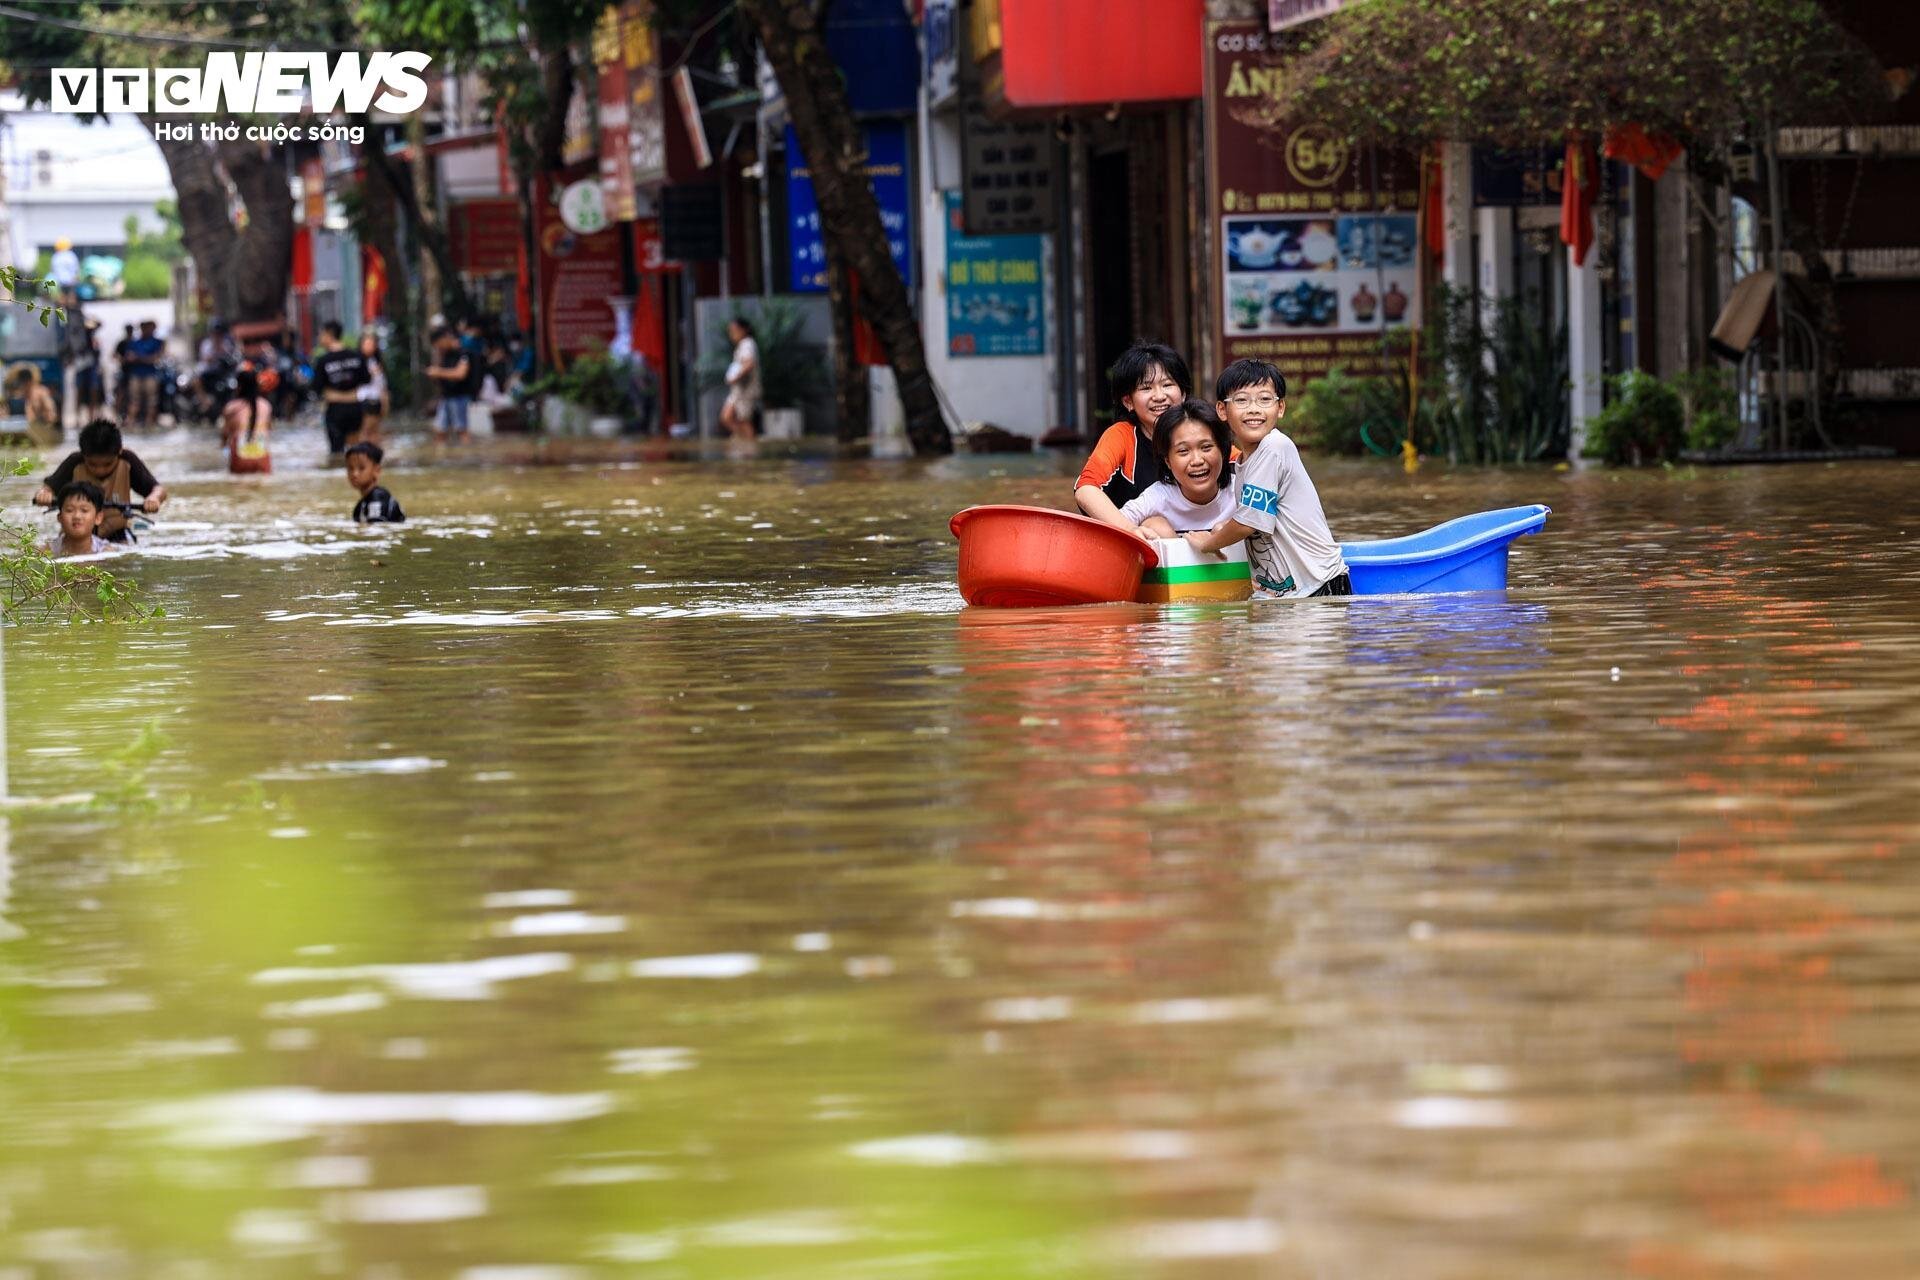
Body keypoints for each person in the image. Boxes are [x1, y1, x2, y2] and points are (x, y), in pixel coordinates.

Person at [1183, 359, 1350, 599]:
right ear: (1222, 410)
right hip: (1293, 595)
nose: (1254, 409)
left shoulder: (1274, 446)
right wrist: (1222, 530)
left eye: (1264, 399)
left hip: (1320, 588)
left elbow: (1247, 523)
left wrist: (1208, 544)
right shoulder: (1243, 463)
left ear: (1280, 407)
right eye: (1241, 400)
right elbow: (1254, 522)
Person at [1074, 341, 1194, 528]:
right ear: (1128, 401)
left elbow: (1238, 465)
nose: (1159, 396)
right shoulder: (1122, 435)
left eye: (1167, 384)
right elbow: (1086, 489)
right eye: (1146, 388)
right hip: (1136, 539)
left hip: (1198, 534)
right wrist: (1131, 531)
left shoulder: (1200, 429)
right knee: (1157, 526)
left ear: (1183, 393)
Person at [33, 418, 167, 543]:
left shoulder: (128, 461)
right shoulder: (74, 462)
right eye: (92, 464)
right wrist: (44, 494)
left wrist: (153, 499)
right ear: (83, 454)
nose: (100, 470)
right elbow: (48, 487)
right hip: (75, 535)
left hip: (116, 535)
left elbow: (158, 489)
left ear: (119, 452)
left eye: (107, 464)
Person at [1116, 399, 1236, 539]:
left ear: (1223, 450)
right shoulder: (1158, 497)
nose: (1197, 460)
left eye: (1206, 447)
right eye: (1183, 451)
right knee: (1156, 526)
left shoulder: (1242, 492)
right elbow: (1114, 527)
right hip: (1168, 559)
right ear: (1168, 461)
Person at [312, 319, 371, 456]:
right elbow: (367, 379)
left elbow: (316, 388)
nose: (319, 338)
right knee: (356, 449)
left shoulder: (323, 361)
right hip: (355, 407)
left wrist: (334, 394)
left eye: (321, 334)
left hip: (335, 409)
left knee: (336, 452)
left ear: (330, 334)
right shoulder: (357, 356)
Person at [220, 362, 273, 475]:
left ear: (238, 386)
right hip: (262, 459)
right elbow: (269, 430)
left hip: (240, 460)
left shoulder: (231, 408)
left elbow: (225, 436)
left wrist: (223, 446)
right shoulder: (266, 406)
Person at [425, 326, 471, 444]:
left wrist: (438, 372)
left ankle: (468, 456)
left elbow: (461, 373)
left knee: (461, 430)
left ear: (445, 338)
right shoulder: (444, 354)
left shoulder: (462, 351)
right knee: (440, 431)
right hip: (446, 397)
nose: (439, 347)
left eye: (439, 344)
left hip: (459, 396)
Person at [44, 480, 113, 559]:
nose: (77, 516)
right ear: (60, 517)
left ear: (98, 518)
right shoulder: (47, 551)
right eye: (69, 510)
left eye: (84, 510)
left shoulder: (106, 552)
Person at [719, 316, 760, 441]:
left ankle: (749, 442)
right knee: (726, 417)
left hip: (746, 389)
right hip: (738, 390)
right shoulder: (742, 345)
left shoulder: (748, 344)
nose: (732, 334)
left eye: (735, 331)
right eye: (730, 331)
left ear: (744, 330)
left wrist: (735, 377)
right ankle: (744, 438)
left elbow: (749, 363)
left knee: (744, 420)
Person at [345, 441, 405, 523]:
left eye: (361, 468)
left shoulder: (377, 497)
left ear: (377, 470)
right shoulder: (360, 506)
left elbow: (376, 529)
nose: (354, 474)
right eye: (350, 468)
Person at [123, 319, 165, 429]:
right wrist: (144, 359)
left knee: (151, 400)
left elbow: (156, 358)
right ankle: (131, 422)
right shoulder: (135, 343)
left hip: (150, 374)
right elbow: (128, 357)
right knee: (134, 399)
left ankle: (149, 422)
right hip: (136, 374)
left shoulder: (157, 342)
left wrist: (139, 358)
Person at [6, 364, 61, 449]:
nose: (22, 385)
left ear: (29, 381)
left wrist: (41, 422)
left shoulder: (41, 392)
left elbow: (51, 414)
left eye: (24, 382)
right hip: (24, 432)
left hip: (41, 431)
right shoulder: (19, 396)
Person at [356, 332, 389, 447]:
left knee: (375, 431)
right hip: (364, 398)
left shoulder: (377, 361)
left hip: (377, 399)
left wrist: (385, 401)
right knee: (365, 430)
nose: (370, 346)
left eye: (372, 344)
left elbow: (382, 384)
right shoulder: (358, 362)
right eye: (367, 343)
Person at [112, 322, 136, 419]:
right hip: (124, 371)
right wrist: (122, 359)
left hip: (134, 372)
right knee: (120, 394)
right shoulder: (122, 343)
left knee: (133, 395)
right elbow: (114, 355)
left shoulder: (135, 342)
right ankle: (117, 415)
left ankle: (131, 416)